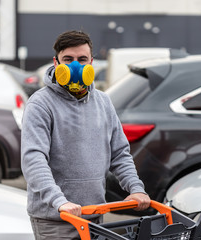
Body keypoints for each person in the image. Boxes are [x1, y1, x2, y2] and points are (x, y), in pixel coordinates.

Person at [21, 30, 150, 240]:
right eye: (68, 59)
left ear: (91, 62)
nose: (75, 66)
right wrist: (59, 202)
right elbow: (33, 160)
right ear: (56, 63)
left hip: (94, 216)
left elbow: (119, 154)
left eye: (82, 60)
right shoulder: (40, 104)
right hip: (56, 220)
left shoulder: (103, 101)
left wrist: (136, 189)